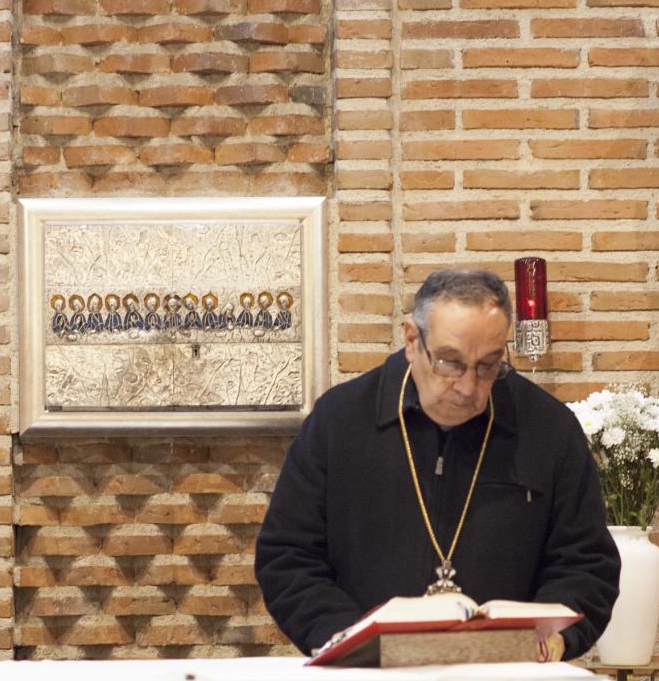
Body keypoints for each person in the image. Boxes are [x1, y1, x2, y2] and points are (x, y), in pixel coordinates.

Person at [255, 268, 619, 662]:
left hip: (507, 672)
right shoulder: (339, 421)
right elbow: (287, 555)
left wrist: (555, 639)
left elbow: (586, 563)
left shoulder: (547, 428)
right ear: (412, 339)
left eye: (488, 365)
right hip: (367, 673)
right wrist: (349, 639)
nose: (467, 387)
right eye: (450, 362)